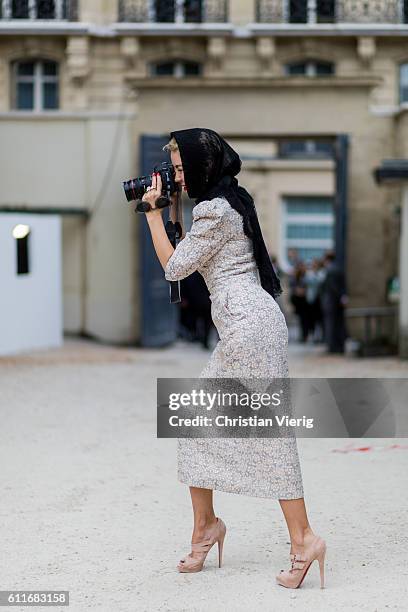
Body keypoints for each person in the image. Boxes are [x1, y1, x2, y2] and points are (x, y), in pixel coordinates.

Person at [142, 128, 326, 589]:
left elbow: (175, 268)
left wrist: (151, 215)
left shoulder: (214, 209)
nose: (177, 179)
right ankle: (211, 527)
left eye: (182, 169)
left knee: (265, 432)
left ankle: (300, 538)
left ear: (203, 167)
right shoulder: (231, 201)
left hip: (247, 328)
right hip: (255, 322)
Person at [319, 250, 348, 353]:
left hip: (331, 302)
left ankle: (332, 347)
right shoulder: (338, 269)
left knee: (331, 325)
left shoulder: (329, 271)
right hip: (339, 302)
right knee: (339, 324)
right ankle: (340, 345)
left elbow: (330, 287)